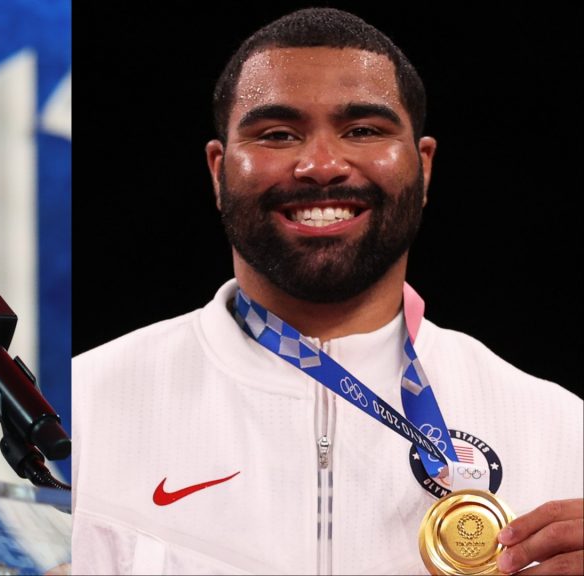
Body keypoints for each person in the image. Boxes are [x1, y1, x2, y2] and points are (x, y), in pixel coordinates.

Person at [71, 7, 583, 575]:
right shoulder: (83, 409)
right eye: (278, 134)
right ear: (218, 173)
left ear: (424, 166)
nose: (320, 165)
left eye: (363, 130)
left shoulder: (558, 430)